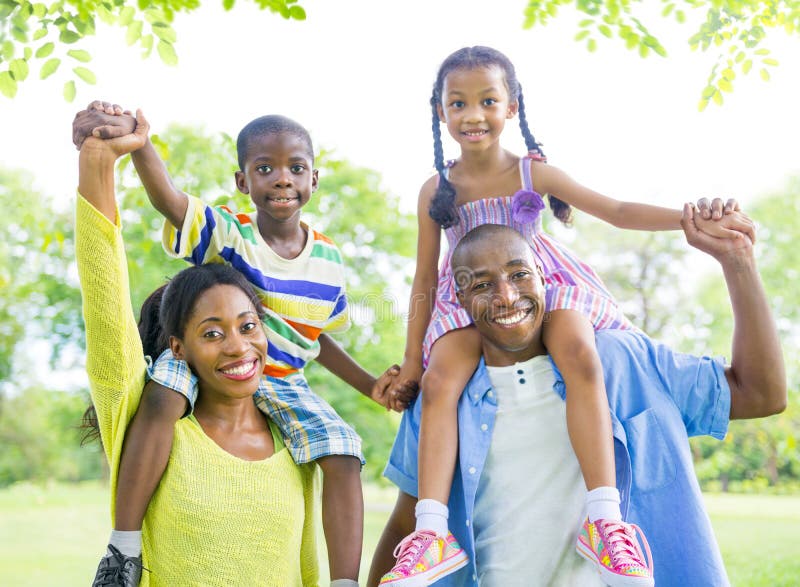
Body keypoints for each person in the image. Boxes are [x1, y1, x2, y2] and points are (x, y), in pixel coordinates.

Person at [380, 45, 755, 586]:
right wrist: (411, 361)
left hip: (542, 286)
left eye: (488, 100)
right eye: (457, 103)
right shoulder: (435, 190)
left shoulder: (533, 172)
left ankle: (604, 519)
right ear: (440, 111)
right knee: (441, 384)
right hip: (471, 299)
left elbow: (618, 212)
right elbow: (422, 277)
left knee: (581, 352)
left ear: (511, 108)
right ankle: (432, 531)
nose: (473, 114)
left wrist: (689, 220)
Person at [73, 104, 415, 587]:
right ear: (242, 181)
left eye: (295, 169)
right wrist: (141, 145)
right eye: (265, 168)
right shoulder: (232, 233)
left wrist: (370, 388)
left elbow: (318, 337)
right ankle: (123, 548)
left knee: (343, 451)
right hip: (204, 368)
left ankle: (344, 582)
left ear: (314, 180)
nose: (281, 179)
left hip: (284, 381)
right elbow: (171, 202)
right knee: (162, 395)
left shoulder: (328, 260)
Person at [369, 218, 786, 586]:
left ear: (543, 278)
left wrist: (738, 262)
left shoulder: (625, 362)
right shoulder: (442, 394)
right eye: (482, 285)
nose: (507, 297)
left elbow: (761, 394)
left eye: (519, 276)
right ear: (458, 300)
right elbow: (408, 520)